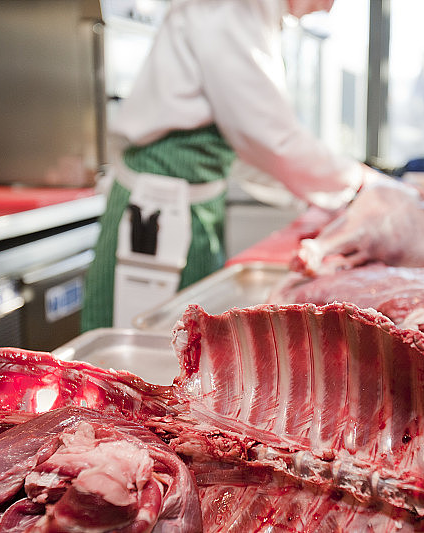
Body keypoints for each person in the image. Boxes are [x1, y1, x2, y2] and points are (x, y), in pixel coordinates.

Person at [81, 0, 384, 331]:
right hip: (156, 213)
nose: (327, 9)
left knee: (186, 345)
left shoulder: (254, 14)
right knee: (131, 351)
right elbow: (270, 137)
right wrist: (361, 183)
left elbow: (250, 149)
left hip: (195, 209)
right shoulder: (231, 6)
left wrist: (326, 194)